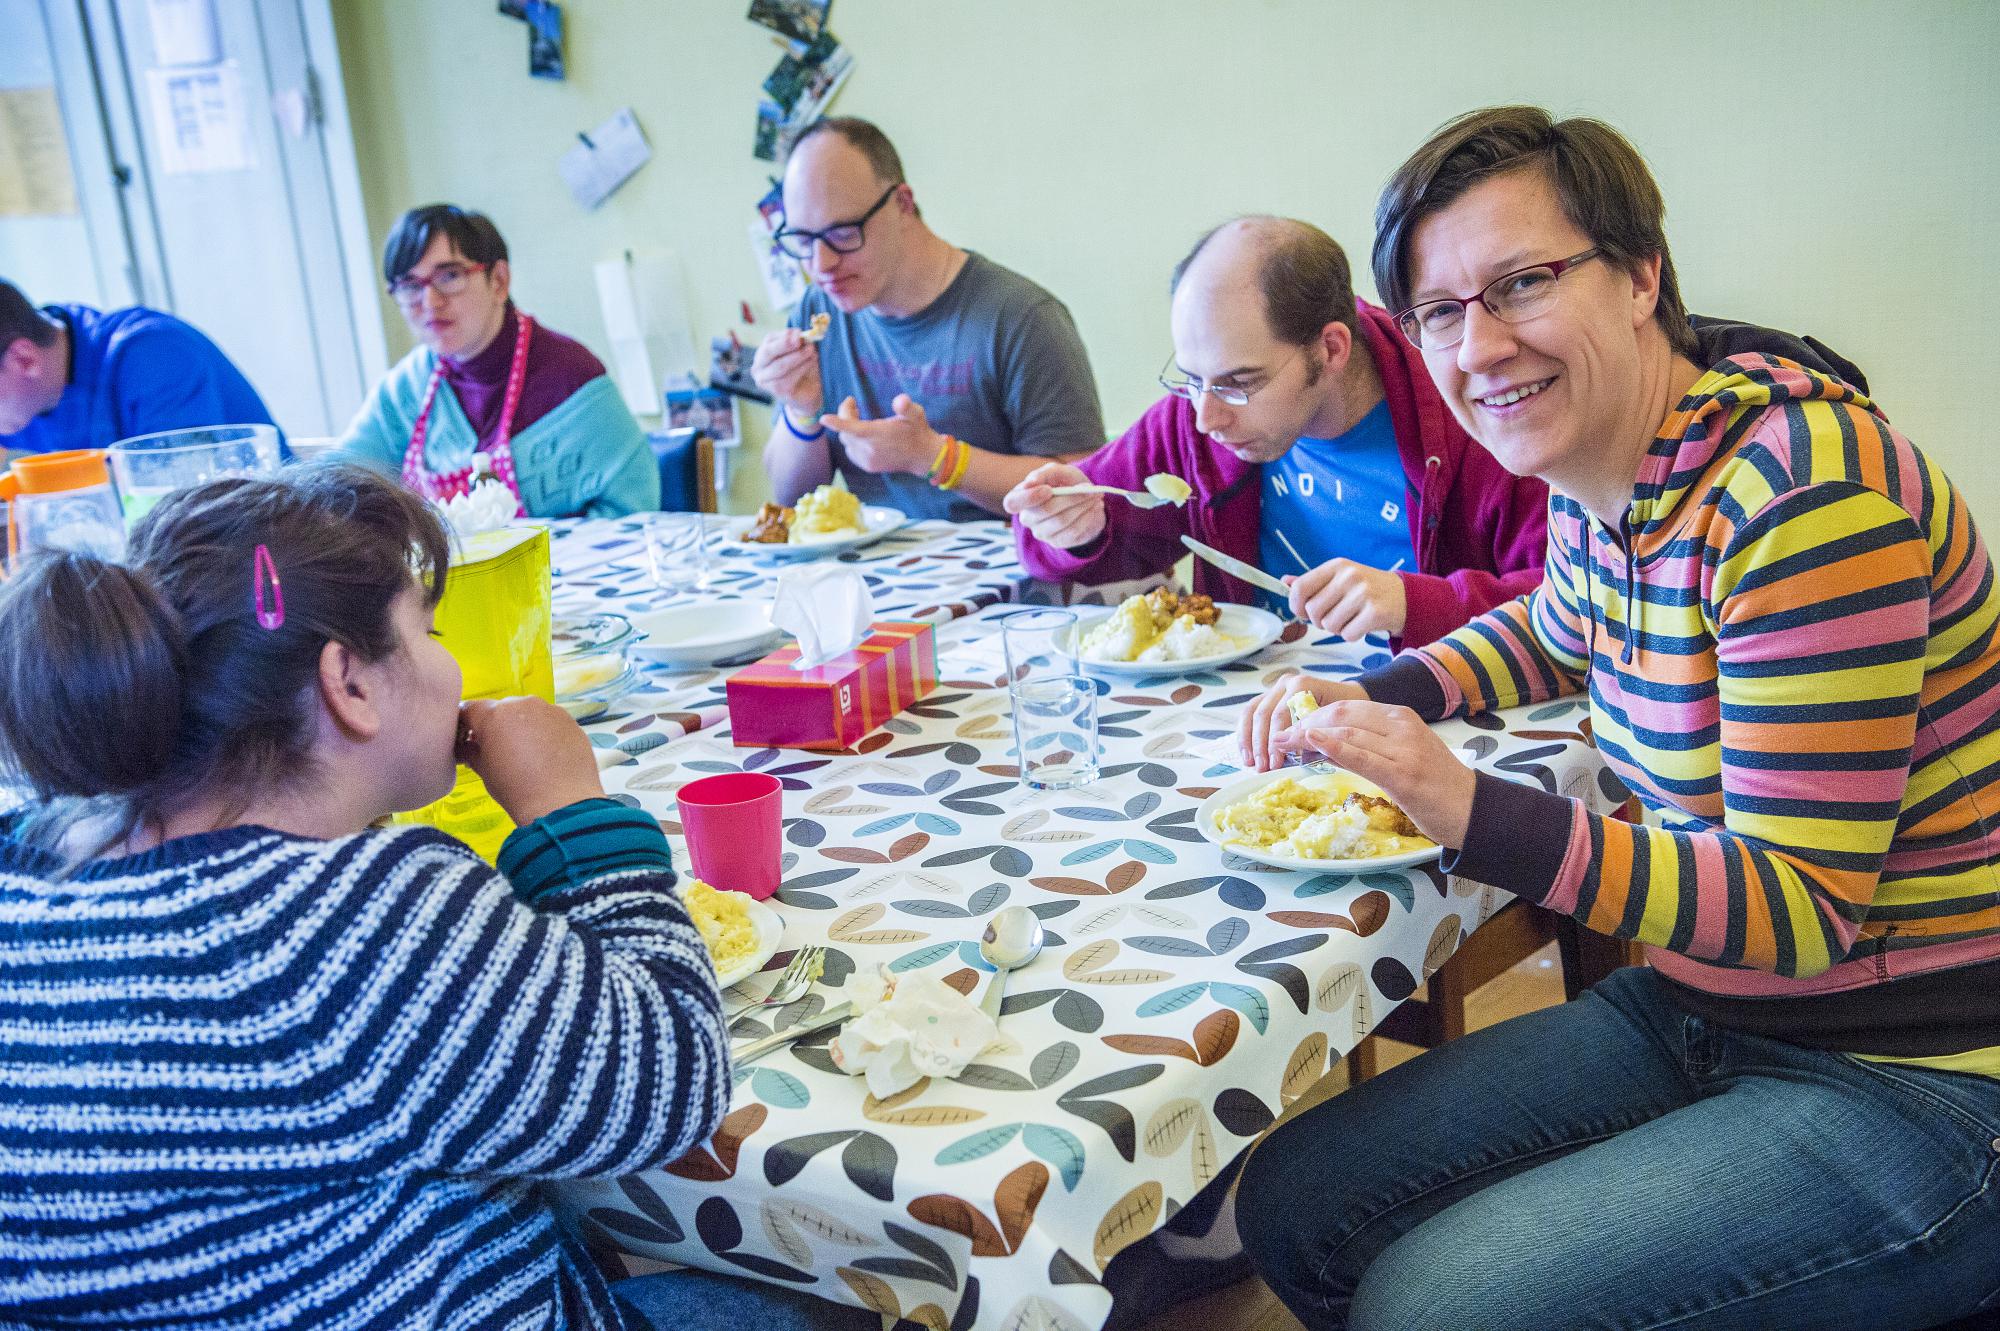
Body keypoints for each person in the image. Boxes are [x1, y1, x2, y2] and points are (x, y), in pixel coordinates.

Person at [1234, 108, 2000, 1330]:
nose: (1477, 345)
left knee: (1440, 1305)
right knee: (1292, 1199)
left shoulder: (1802, 500)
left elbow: (1796, 908)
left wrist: (1466, 805)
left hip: (1922, 1070)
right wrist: (1379, 694)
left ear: (1640, 274)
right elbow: (1555, 621)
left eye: (1521, 283)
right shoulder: (1614, 466)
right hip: (1710, 1005)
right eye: (1437, 311)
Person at [0, 465, 872, 1329]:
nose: (451, 667)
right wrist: (570, 809)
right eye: (430, 630)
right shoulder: (365, 918)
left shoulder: (31, 880)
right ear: (349, 684)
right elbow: (675, 1078)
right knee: (840, 1295)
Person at [1006, 217, 1549, 647]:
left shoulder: (1471, 408)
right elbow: (1042, 543)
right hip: (1252, 724)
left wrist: (1415, 604)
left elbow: (1573, 604)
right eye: (1191, 381)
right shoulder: (1200, 417)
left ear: (1331, 348)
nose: (1206, 418)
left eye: (1240, 384)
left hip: (1430, 718)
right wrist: (1073, 527)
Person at [751, 117, 1105, 522]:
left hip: (1013, 577)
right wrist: (801, 409)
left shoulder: (1021, 318)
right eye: (803, 240)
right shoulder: (817, 311)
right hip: (877, 577)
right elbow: (789, 495)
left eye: (843, 234)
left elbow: (1082, 489)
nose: (821, 263)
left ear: (902, 204)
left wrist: (934, 457)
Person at [333, 204, 658, 517]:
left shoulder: (572, 378)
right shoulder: (405, 389)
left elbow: (637, 509)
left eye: (449, 276)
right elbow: (335, 486)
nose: (430, 301)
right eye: (410, 285)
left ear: (499, 281)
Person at [0, 278, 276, 456]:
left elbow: (182, 511)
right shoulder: (22, 399)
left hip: (260, 535)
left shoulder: (154, 356)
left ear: (24, 360)